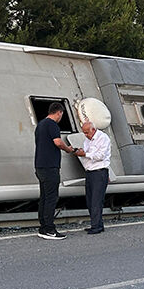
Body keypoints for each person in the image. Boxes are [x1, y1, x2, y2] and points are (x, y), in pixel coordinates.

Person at [34, 102, 77, 240]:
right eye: (61, 115)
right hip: (50, 166)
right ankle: (49, 229)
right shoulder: (52, 125)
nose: (60, 117)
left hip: (40, 166)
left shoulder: (40, 125)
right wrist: (68, 149)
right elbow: (57, 142)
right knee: (52, 198)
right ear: (59, 112)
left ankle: (43, 228)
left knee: (44, 198)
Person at [74, 120, 111, 233]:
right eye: (84, 132)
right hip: (90, 172)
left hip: (99, 172)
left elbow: (100, 156)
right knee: (90, 200)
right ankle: (97, 224)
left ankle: (97, 226)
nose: (85, 135)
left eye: (86, 132)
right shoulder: (87, 140)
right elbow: (87, 154)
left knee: (96, 200)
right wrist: (80, 151)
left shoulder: (103, 138)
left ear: (93, 130)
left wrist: (84, 154)